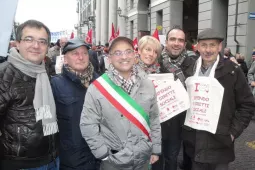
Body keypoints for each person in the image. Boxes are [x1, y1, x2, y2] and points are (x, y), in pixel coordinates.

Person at [80, 36, 161, 170]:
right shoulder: (97, 88)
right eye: (117, 53)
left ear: (135, 55)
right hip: (114, 161)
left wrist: (155, 149)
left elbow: (154, 118)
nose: (124, 57)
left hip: (144, 159)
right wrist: (102, 153)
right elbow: (87, 124)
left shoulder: (147, 83)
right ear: (109, 58)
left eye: (128, 51)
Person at [182, 28, 255, 170]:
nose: (208, 50)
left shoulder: (233, 71)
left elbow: (247, 104)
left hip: (220, 143)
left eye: (212, 45)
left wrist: (233, 132)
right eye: (204, 45)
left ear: (220, 46)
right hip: (194, 142)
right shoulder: (189, 68)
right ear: (197, 47)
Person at [0, 19, 59, 170]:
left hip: (52, 158)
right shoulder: (3, 75)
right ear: (17, 43)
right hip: (19, 164)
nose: (36, 45)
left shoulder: (46, 72)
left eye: (42, 41)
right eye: (29, 39)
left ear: (47, 46)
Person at [51, 39, 99, 169]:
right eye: (75, 53)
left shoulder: (101, 82)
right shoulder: (55, 84)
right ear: (65, 59)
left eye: (84, 53)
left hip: (100, 156)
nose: (81, 57)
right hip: (72, 160)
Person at [157, 26, 196, 170]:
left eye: (180, 40)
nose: (176, 43)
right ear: (166, 42)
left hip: (179, 122)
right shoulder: (155, 62)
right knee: (155, 158)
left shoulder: (194, 64)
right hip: (156, 122)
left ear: (184, 44)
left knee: (172, 158)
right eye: (172, 39)